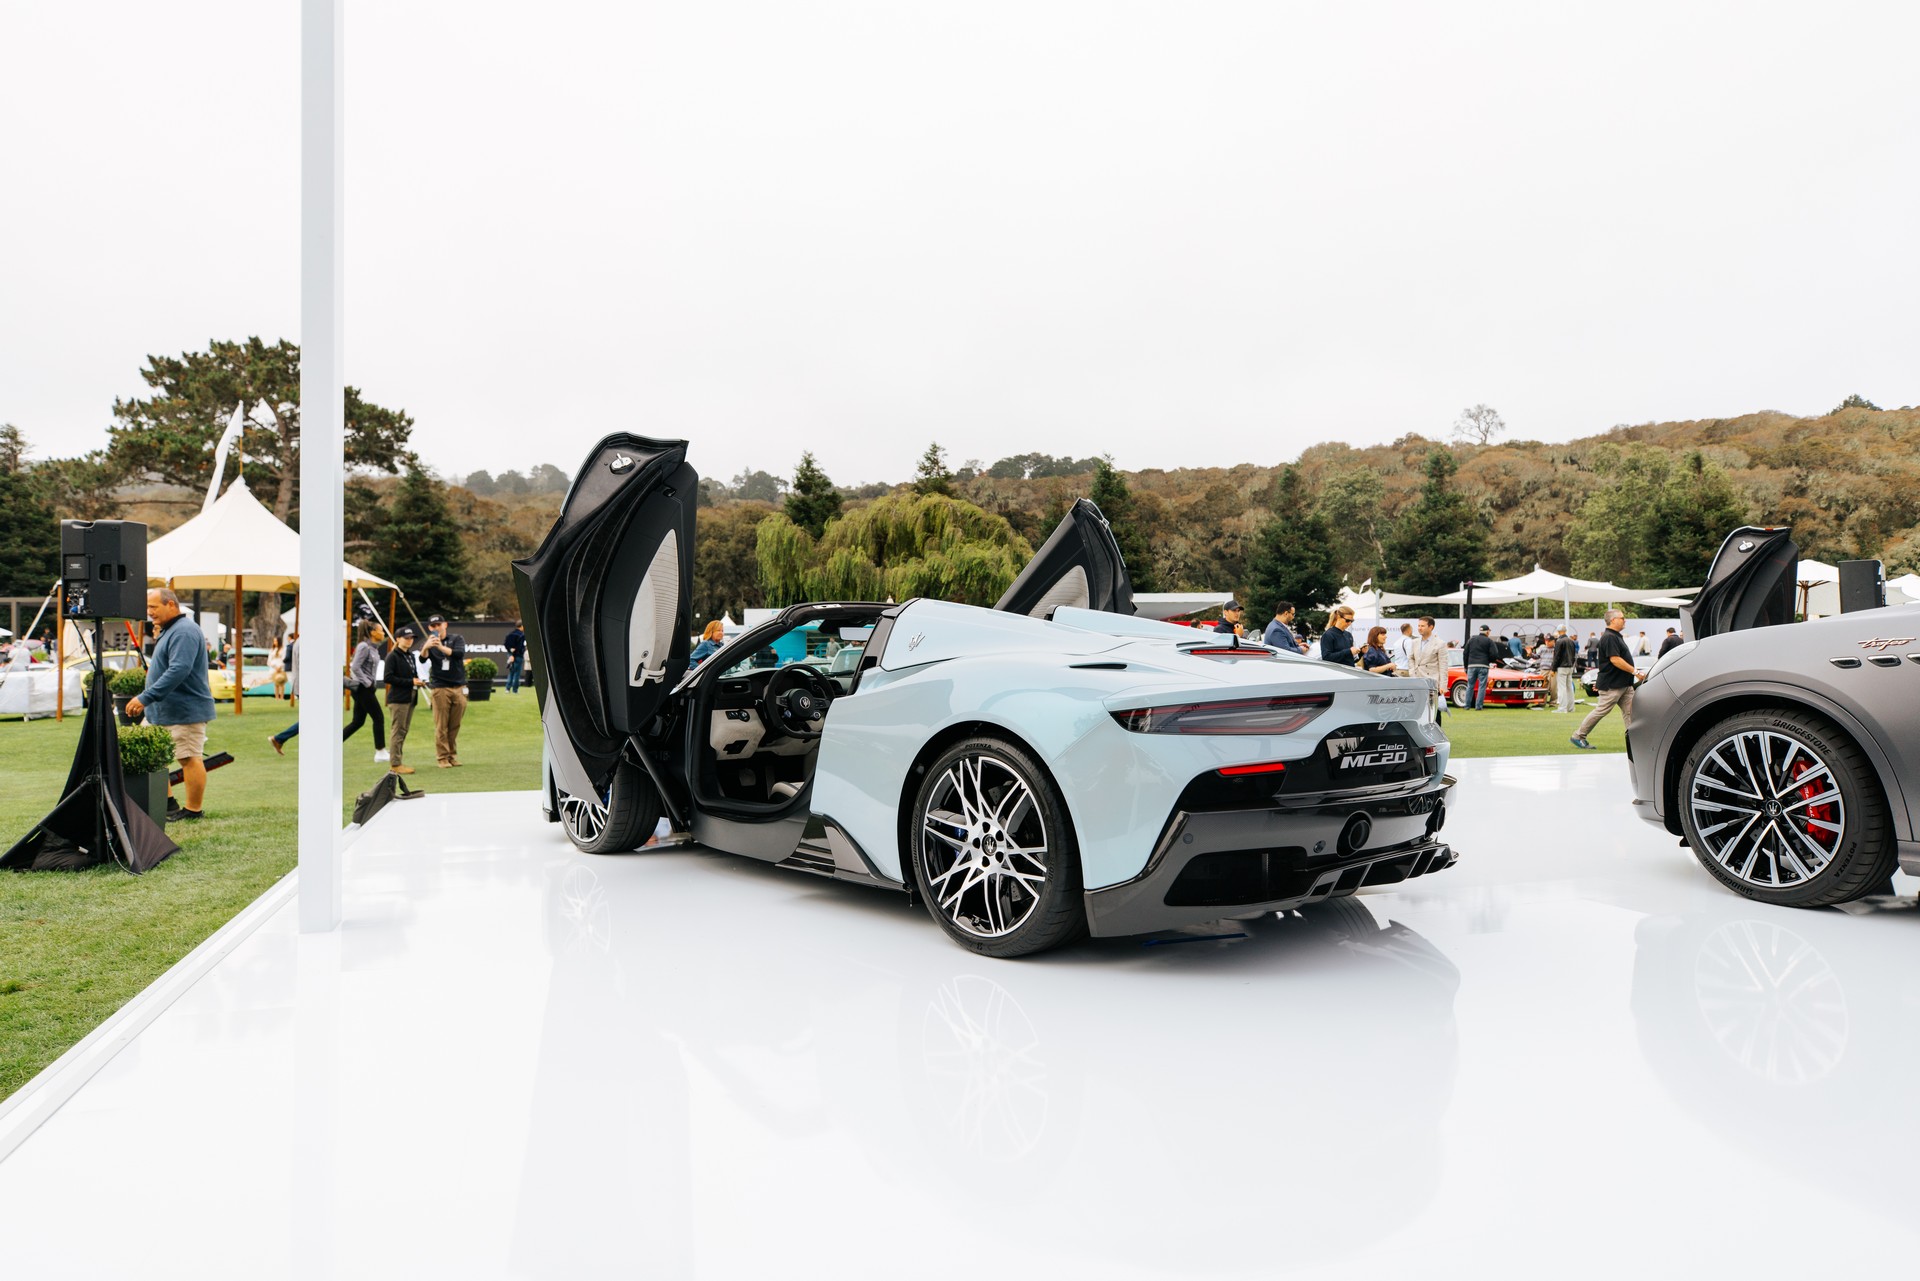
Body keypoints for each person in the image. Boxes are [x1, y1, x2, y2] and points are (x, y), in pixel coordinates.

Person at [124, 588, 216, 823]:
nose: (149, 612)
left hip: (183, 711)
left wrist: (145, 697)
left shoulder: (184, 631)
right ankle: (167, 805)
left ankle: (193, 810)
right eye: (148, 608)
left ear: (171, 605)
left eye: (154, 607)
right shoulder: (170, 630)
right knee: (151, 757)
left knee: (188, 758)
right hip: (161, 710)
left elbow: (179, 670)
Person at [1571, 609, 1639, 749]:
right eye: (1622, 618)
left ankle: (1635, 742)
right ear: (1613, 620)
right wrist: (1635, 671)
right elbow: (1615, 660)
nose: (1624, 620)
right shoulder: (1609, 637)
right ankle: (1578, 736)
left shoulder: (1615, 636)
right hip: (1612, 685)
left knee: (1631, 712)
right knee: (1601, 710)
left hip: (1624, 684)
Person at [423, 614, 468, 768]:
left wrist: (440, 646)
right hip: (440, 687)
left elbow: (459, 654)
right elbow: (422, 659)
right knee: (441, 725)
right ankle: (442, 757)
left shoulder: (456, 639)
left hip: (458, 687)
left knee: (455, 725)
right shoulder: (429, 642)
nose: (436, 628)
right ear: (429, 628)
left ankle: (452, 756)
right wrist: (426, 646)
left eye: (438, 625)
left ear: (445, 625)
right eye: (433, 626)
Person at [384, 624, 426, 774]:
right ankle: (395, 764)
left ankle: (398, 761)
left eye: (411, 638)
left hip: (410, 697)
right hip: (398, 699)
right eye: (406, 638)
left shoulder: (409, 655)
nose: (409, 641)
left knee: (403, 730)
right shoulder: (393, 655)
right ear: (398, 639)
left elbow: (409, 676)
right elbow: (388, 678)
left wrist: (417, 681)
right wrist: (410, 682)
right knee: (398, 731)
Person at [344, 623, 389, 761]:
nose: (383, 633)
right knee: (378, 718)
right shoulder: (364, 646)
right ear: (372, 632)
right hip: (362, 688)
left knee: (358, 722)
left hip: (367, 688)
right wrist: (368, 683)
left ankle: (332, 744)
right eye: (381, 630)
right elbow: (355, 667)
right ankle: (380, 752)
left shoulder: (374, 648)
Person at [1406, 616, 1449, 723]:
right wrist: (1412, 673)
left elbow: (1443, 666)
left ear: (1431, 627)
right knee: (1418, 710)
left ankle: (1437, 734)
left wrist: (1443, 685)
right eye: (1418, 626)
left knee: (1434, 712)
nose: (1419, 628)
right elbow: (1410, 658)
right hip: (1417, 680)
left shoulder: (1440, 643)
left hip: (1432, 682)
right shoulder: (1415, 642)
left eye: (1422, 626)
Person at [1462, 624, 1499, 710]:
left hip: (1471, 665)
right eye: (1489, 631)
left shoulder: (1471, 640)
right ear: (1487, 632)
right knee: (1481, 686)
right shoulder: (1489, 641)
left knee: (1470, 685)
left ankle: (1467, 705)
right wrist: (1488, 660)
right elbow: (1494, 654)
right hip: (1483, 665)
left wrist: (1466, 666)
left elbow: (1465, 653)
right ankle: (1478, 706)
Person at [1551, 625, 1580, 713]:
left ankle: (1562, 708)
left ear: (1558, 631)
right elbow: (1574, 655)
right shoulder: (1571, 641)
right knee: (1569, 688)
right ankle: (1571, 708)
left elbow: (1557, 656)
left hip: (1562, 667)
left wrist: (1553, 668)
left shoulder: (1559, 641)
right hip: (1570, 667)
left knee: (1562, 688)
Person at [503, 620, 527, 693]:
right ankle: (515, 690)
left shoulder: (510, 634)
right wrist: (514, 654)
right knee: (517, 673)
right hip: (518, 656)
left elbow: (506, 644)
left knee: (511, 672)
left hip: (511, 656)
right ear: (521, 626)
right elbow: (519, 647)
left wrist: (510, 654)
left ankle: (507, 688)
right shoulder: (521, 635)